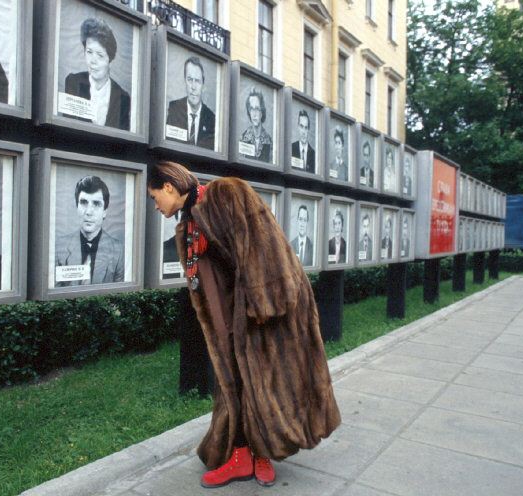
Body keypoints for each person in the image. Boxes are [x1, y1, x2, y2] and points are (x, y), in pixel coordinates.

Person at [147, 161, 340, 489]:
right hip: (227, 317)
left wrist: (263, 304)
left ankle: (261, 454)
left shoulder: (226, 193)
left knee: (262, 381)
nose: (156, 206)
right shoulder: (188, 224)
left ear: (168, 187)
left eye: (154, 198)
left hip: (262, 309)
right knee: (233, 382)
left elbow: (265, 244)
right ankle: (240, 454)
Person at [65, 18, 130, 130]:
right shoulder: (74, 82)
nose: (93, 61)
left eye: (100, 55)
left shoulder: (122, 97)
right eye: (89, 52)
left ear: (110, 58)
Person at [56, 176, 124, 285]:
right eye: (83, 202)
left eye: (96, 204)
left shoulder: (118, 250)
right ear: (77, 207)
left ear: (105, 211)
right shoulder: (59, 246)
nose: (89, 212)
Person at [166, 56, 216, 150]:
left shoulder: (211, 118)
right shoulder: (174, 109)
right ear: (185, 81)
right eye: (189, 79)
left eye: (197, 81)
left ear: (203, 85)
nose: (193, 87)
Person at [239, 87, 272, 162]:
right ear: (249, 112)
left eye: (257, 108)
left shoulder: (269, 141)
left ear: (262, 112)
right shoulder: (243, 138)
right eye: (251, 109)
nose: (254, 114)